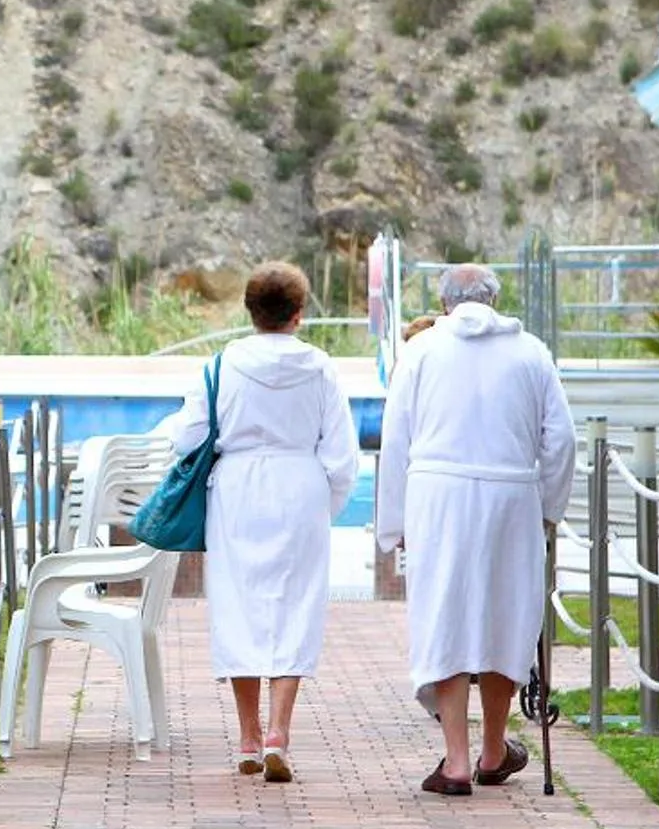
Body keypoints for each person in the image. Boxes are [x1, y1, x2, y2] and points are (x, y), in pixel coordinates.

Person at [375, 263, 577, 796]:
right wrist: (548, 511)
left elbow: (394, 438)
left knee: (443, 611)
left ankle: (456, 759)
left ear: (444, 305)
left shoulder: (420, 352)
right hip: (511, 495)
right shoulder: (531, 352)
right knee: (505, 615)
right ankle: (493, 747)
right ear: (495, 298)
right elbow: (561, 440)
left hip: (438, 497)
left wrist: (394, 522)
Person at [155, 262, 358, 784]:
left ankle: (247, 736)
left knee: (238, 605)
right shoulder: (321, 367)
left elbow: (187, 437)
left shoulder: (222, 365)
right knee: (296, 606)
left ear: (249, 311)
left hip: (238, 490)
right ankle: (278, 734)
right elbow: (340, 453)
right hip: (300, 486)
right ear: (299, 313)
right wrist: (325, 505)